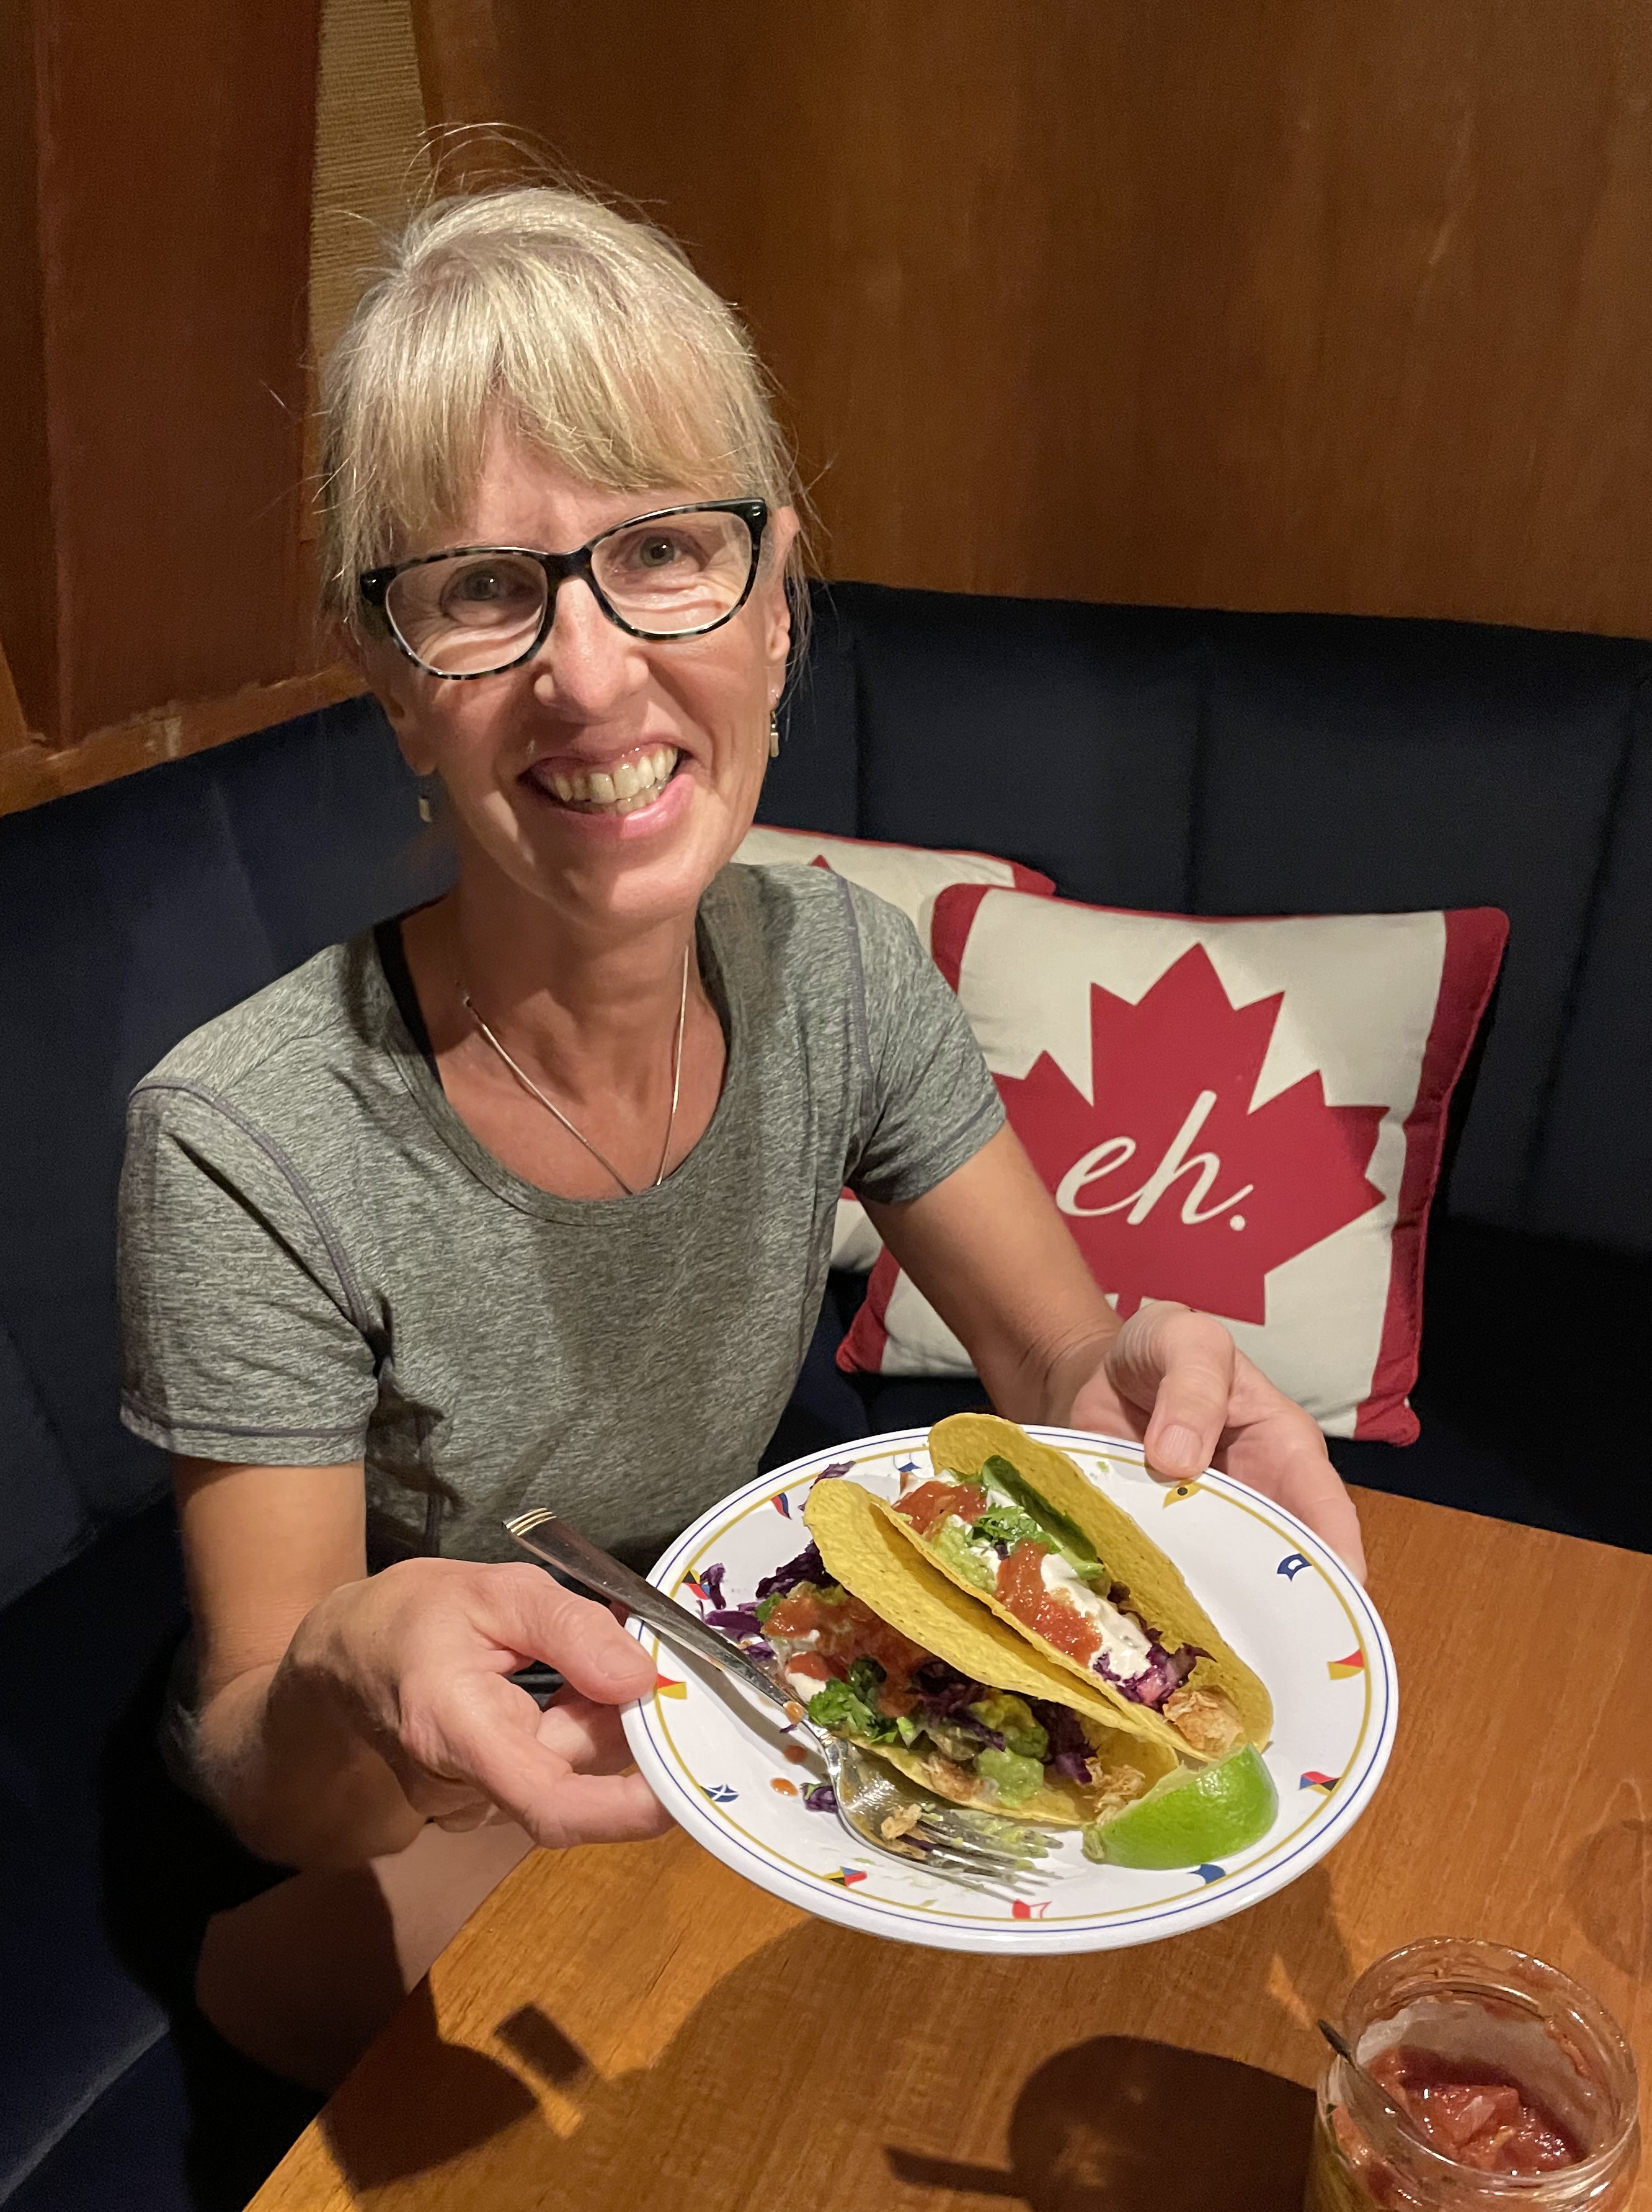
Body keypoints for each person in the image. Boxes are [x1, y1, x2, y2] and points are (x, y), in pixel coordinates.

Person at [117, 183, 1364, 2095]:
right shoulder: (242, 1138)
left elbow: (1051, 1364)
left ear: (776, 611)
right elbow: (265, 1783)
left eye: (666, 552)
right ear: (394, 687)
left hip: (729, 1682)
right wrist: (363, 1669)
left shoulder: (844, 972)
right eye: (481, 591)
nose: (591, 671)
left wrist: (1125, 1382)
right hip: (426, 1787)